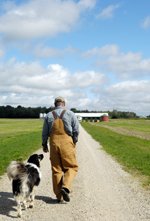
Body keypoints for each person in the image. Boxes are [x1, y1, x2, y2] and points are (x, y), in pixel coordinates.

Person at [42, 96, 79, 203]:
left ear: (55, 104)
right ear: (64, 104)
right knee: (71, 167)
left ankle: (59, 196)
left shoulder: (49, 115)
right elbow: (76, 130)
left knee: (56, 169)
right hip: (67, 142)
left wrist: (44, 144)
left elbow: (44, 133)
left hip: (53, 143)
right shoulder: (71, 114)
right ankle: (66, 187)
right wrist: (74, 141)